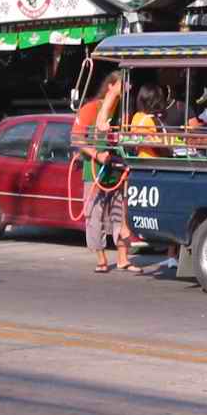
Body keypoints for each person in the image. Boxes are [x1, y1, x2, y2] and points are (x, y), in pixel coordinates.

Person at [73, 72, 140, 274]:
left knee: (120, 214)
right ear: (111, 86)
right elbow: (77, 139)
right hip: (94, 171)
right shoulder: (90, 109)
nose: (127, 89)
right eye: (122, 84)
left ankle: (122, 259)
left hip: (117, 170)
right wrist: (96, 154)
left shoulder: (124, 111)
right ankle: (101, 259)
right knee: (95, 216)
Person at [131, 84, 168, 158]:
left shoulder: (137, 116)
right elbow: (157, 146)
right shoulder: (151, 120)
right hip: (153, 161)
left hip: (140, 158)